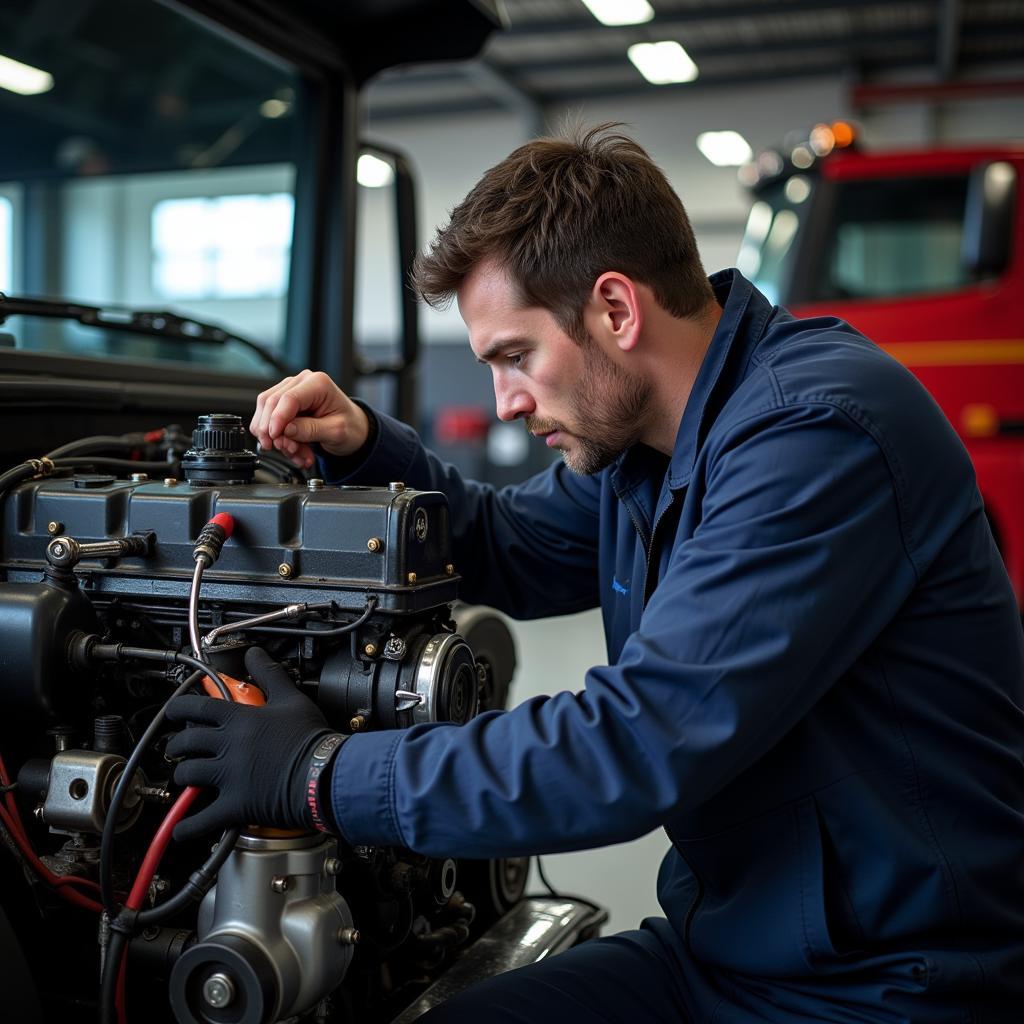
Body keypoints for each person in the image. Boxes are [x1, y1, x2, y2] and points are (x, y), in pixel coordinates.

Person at [165, 125, 1024, 1023]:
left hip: (890, 986)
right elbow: (511, 545)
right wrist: (369, 449)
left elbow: (634, 745)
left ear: (616, 309)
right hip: (730, 949)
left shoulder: (816, 434)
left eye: (514, 357)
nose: (504, 400)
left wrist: (319, 774)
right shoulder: (644, 450)